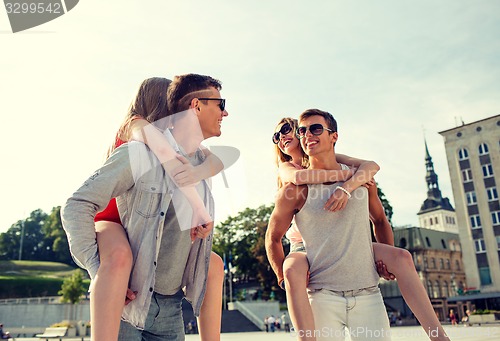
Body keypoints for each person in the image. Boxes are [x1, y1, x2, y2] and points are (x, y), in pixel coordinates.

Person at [62, 73, 228, 340]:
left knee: (214, 263)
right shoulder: (139, 139)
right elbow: (77, 205)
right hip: (112, 221)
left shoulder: (190, 159)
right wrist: (99, 270)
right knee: (118, 259)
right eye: (171, 105)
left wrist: (199, 204)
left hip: (169, 306)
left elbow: (210, 162)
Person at [269, 117, 451, 341]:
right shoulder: (290, 175)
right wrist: (349, 177)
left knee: (402, 257)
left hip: (352, 247)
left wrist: (351, 185)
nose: (283, 137)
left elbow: (371, 167)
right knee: (292, 270)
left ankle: (438, 336)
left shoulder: (343, 164)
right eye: (276, 136)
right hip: (303, 244)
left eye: (289, 130)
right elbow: (298, 179)